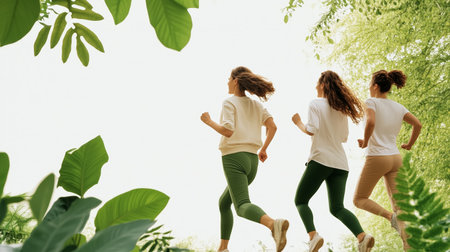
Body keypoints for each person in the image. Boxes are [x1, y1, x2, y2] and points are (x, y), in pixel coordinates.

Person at [200, 66, 289, 252]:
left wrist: (208, 121)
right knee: (224, 203)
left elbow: (228, 131)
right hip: (252, 162)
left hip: (234, 158)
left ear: (236, 81)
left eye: (228, 78)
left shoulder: (229, 102)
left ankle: (273, 224)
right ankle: (223, 248)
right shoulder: (256, 105)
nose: (227, 82)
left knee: (241, 206)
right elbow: (272, 127)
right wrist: (264, 149)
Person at [292, 71, 374, 252]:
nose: (315, 87)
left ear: (322, 84)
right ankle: (362, 236)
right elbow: (344, 137)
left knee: (301, 200)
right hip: (341, 164)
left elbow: (311, 130)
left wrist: (298, 122)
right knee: (337, 207)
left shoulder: (315, 104)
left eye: (316, 83)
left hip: (321, 159)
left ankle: (313, 236)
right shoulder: (341, 109)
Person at [353, 70, 422, 250]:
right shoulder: (398, 107)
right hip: (395, 158)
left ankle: (390, 217)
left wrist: (366, 142)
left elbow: (371, 122)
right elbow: (418, 124)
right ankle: (408, 244)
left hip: (378, 157)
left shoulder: (371, 102)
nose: (369, 87)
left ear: (375, 86)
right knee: (400, 207)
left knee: (359, 199)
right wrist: (409, 144)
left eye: (370, 83)